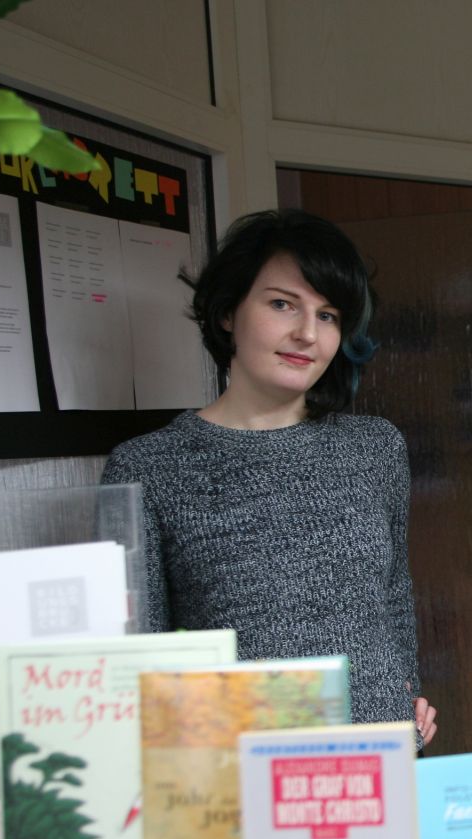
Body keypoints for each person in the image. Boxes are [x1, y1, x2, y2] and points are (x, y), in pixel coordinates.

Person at [102, 210, 436, 748]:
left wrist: (405, 694)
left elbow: (393, 592)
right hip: (239, 779)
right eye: (282, 304)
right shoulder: (147, 468)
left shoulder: (374, 447)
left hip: (382, 764)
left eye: (328, 315)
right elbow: (142, 656)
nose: (307, 333)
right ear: (229, 310)